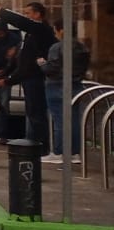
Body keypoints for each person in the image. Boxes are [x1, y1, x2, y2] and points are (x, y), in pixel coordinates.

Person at [0, 3, 56, 148]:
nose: (26, 16)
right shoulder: (30, 34)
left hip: (35, 78)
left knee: (37, 114)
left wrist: (1, 12)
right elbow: (22, 59)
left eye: (28, 13)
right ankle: (33, 142)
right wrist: (7, 74)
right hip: (28, 78)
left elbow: (29, 64)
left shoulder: (41, 29)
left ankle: (41, 146)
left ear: (38, 14)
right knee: (32, 113)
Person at [41, 20, 90, 165]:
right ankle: (74, 152)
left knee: (60, 121)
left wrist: (42, 64)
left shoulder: (57, 47)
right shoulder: (82, 47)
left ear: (61, 30)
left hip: (57, 85)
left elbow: (53, 68)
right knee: (74, 120)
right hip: (76, 85)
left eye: (55, 30)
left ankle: (59, 152)